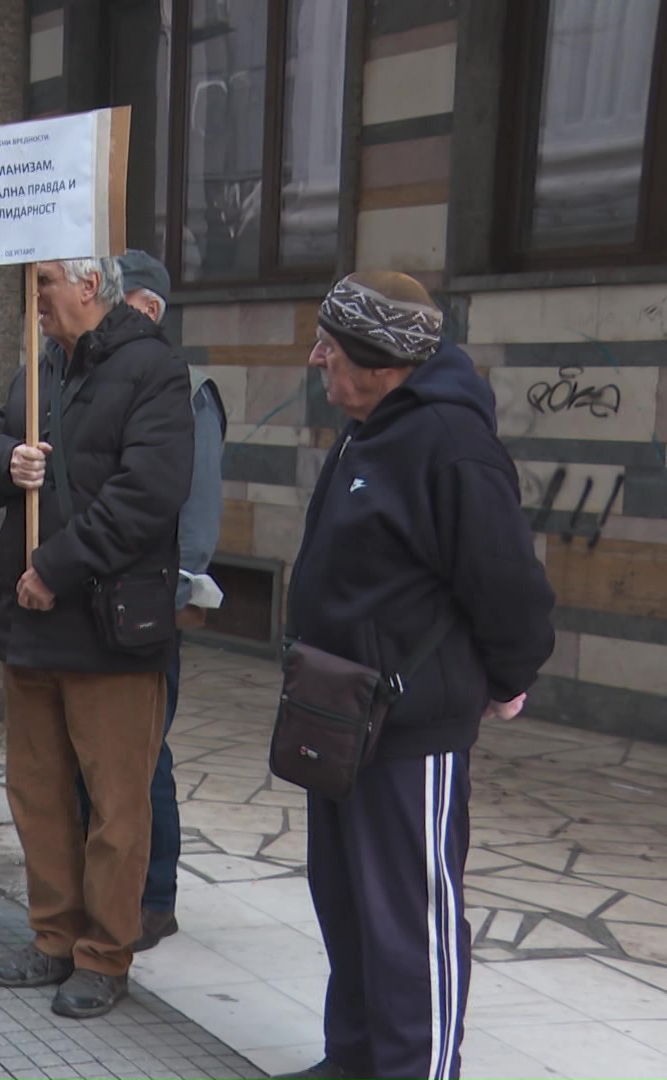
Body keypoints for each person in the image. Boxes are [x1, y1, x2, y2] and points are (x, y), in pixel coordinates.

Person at [272, 274, 554, 1080]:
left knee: (410, 921)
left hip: (407, 724)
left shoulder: (451, 445)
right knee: (346, 903)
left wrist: (508, 677)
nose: (316, 356)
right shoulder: (366, 427)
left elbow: (509, 586)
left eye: (331, 343)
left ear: (381, 360)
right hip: (335, 711)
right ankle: (353, 1058)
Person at [0, 257, 192, 1020]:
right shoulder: (37, 370)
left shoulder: (152, 370)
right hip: (30, 626)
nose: (33, 301)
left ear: (88, 286)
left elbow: (149, 495)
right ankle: (53, 937)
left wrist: (55, 568)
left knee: (116, 805)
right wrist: (9, 461)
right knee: (37, 796)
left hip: (107, 627)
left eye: (43, 286)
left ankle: (105, 953)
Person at [85, 250, 226, 953]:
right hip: (100, 594)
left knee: (146, 754)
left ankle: (155, 896)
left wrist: (174, 596)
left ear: (144, 308)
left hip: (148, 601)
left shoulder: (183, 387)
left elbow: (195, 516)